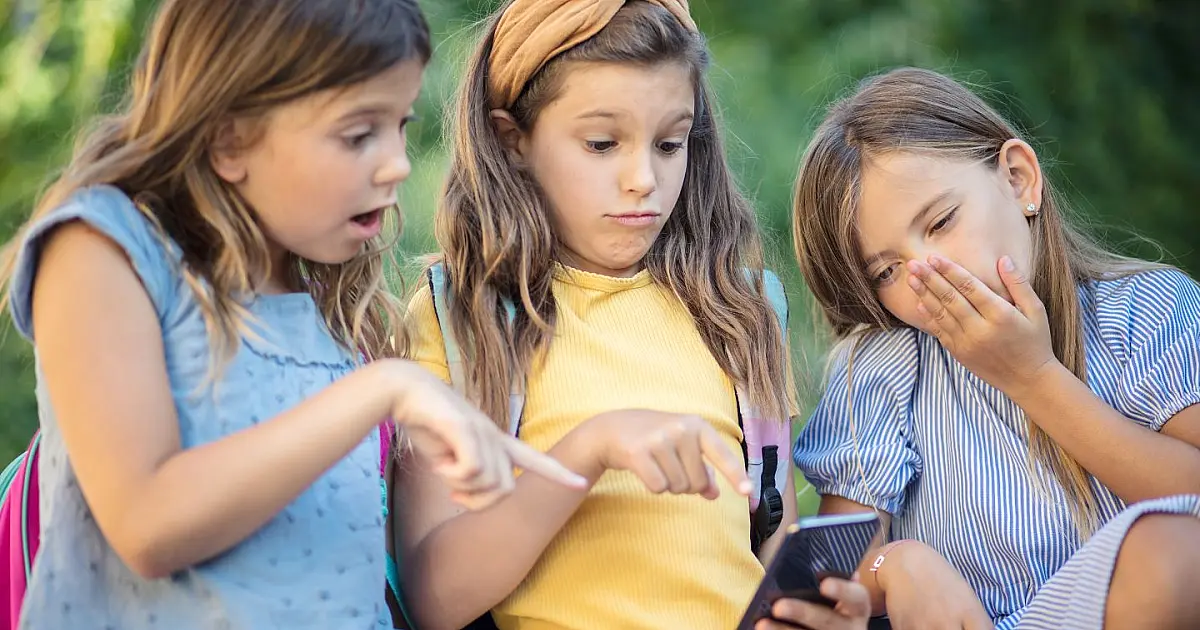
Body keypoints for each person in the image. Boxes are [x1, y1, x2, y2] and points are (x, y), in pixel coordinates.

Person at [0, 1, 582, 628]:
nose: (398, 164)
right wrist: (383, 389)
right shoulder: (102, 251)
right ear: (230, 139)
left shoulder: (328, 306)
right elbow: (146, 525)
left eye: (399, 124)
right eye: (359, 134)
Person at [391, 2, 871, 630]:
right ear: (513, 142)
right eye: (601, 143)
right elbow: (434, 598)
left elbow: (762, 537)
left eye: (671, 143)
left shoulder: (741, 310)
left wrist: (817, 610)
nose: (644, 178)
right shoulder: (461, 317)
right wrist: (591, 448)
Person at [791, 66, 1200, 630]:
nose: (925, 273)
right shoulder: (883, 364)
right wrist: (896, 564)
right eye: (886, 270)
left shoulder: (1147, 310)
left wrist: (1032, 377)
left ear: (1017, 179)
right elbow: (833, 573)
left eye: (941, 221)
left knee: (1177, 557)